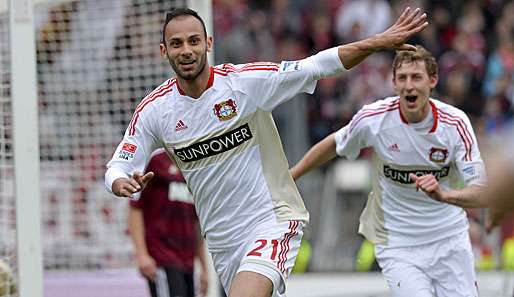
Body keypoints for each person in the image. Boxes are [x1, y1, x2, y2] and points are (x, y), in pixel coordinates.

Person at [105, 7, 428, 297]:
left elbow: (316, 66)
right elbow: (120, 162)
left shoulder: (244, 84)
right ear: (164, 51)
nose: (186, 50)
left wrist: (375, 42)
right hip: (221, 239)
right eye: (177, 44)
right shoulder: (155, 111)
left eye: (193, 41)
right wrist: (119, 181)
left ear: (209, 43)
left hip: (271, 218)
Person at [291, 45, 487, 297]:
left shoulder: (455, 123)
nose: (409, 85)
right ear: (393, 83)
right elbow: (335, 143)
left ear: (433, 81)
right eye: (402, 78)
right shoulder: (374, 119)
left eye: (416, 77)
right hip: (398, 244)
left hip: (449, 239)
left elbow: (482, 192)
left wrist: (445, 195)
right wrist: (291, 175)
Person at [128, 149, 208, 297]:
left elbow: (196, 222)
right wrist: (141, 255)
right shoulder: (155, 160)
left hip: (187, 261)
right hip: (161, 256)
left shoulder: (196, 165)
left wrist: (204, 268)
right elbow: (135, 208)